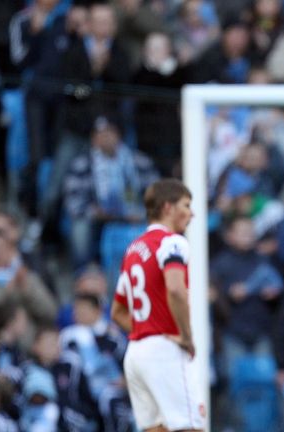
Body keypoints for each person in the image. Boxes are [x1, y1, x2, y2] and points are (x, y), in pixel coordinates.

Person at [109, 178, 204, 432]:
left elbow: (117, 312)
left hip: (136, 352)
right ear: (167, 207)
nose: (192, 213)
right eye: (186, 205)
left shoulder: (133, 249)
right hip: (164, 351)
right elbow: (175, 288)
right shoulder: (173, 242)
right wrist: (185, 335)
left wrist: (147, 329)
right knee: (190, 427)